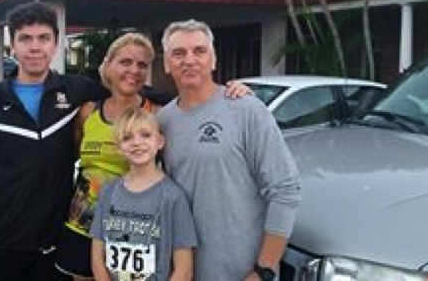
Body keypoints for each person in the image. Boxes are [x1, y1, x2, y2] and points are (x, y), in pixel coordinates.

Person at [54, 32, 250, 280]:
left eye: (142, 65)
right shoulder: (87, 111)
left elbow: (201, 112)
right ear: (108, 66)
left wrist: (233, 92)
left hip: (134, 231)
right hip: (82, 228)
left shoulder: (159, 113)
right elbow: (67, 159)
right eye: (125, 62)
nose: (134, 70)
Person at [0, 1, 107, 281]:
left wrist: (175, 102)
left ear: (56, 44)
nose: (35, 47)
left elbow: (124, 91)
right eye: (25, 38)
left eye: (44, 38)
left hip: (54, 247)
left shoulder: (75, 91)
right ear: (13, 45)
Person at [158, 19, 302, 281]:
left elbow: (285, 189)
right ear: (167, 64)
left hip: (243, 272)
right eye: (178, 53)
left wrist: (265, 269)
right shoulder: (163, 121)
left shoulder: (246, 109)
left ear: (213, 60)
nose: (189, 60)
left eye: (199, 51)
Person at [90, 107, 197, 281]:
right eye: (127, 138)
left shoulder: (173, 197)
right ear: (118, 147)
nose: (136, 143)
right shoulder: (108, 192)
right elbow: (97, 258)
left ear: (160, 141)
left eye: (146, 135)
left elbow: (184, 270)